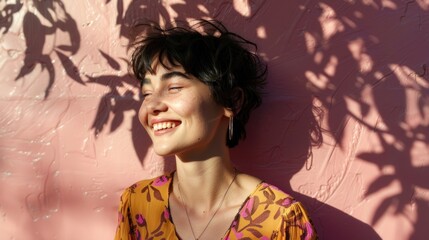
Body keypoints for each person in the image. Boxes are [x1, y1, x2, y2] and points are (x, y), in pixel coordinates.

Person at [115, 19, 317, 240]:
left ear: (231, 101)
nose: (152, 106)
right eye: (147, 93)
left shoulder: (280, 219)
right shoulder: (137, 204)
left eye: (173, 88)